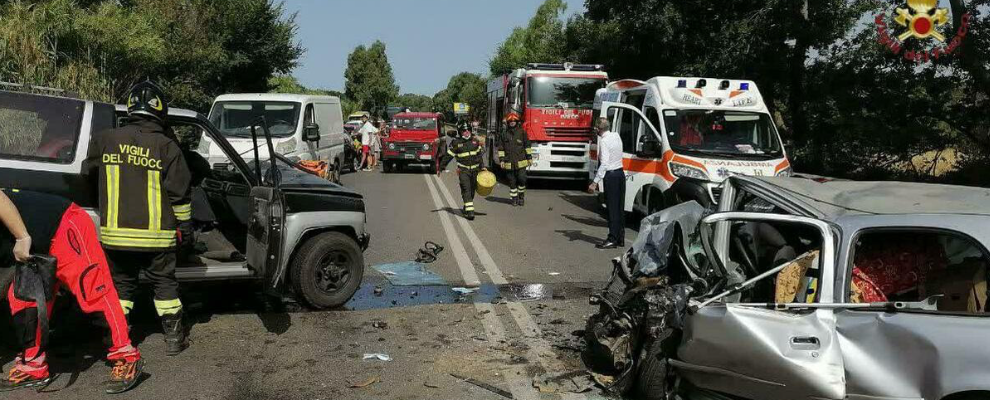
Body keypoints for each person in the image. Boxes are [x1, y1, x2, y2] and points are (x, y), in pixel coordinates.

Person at [86, 80, 192, 356]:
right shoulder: (167, 147)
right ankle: (173, 338)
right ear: (160, 111)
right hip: (158, 238)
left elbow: (88, 177)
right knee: (164, 285)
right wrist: (186, 229)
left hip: (115, 236)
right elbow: (180, 196)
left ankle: (115, 336)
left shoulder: (105, 139)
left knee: (121, 287)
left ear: (131, 108)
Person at [0, 189, 143, 394]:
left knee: (93, 290)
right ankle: (33, 366)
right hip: (33, 247)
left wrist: (22, 237)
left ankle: (126, 356)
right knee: (23, 300)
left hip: (61, 222)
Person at [587, 117, 625, 249]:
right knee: (619, 207)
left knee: (612, 208)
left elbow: (604, 163)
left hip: (611, 176)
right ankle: (620, 237)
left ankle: (612, 239)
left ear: (598, 129)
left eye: (595, 128)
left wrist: (594, 182)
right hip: (620, 173)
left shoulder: (603, 141)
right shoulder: (616, 135)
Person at [438, 122, 485, 220]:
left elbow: (479, 156)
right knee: (466, 189)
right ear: (460, 132)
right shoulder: (456, 143)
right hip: (463, 171)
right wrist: (441, 167)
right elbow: (448, 156)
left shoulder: (475, 142)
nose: (466, 132)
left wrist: (482, 167)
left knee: (472, 190)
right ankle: (470, 212)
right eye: (464, 130)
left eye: (468, 130)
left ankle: (467, 206)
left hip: (475, 171)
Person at [497, 113, 532, 206]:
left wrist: (529, 158)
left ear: (517, 122)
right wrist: (501, 160)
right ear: (508, 122)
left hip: (521, 162)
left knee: (522, 179)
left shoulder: (522, 132)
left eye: (514, 121)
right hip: (509, 163)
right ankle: (514, 199)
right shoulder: (504, 134)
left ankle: (521, 196)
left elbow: (527, 146)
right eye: (510, 121)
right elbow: (501, 148)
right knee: (512, 183)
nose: (512, 123)